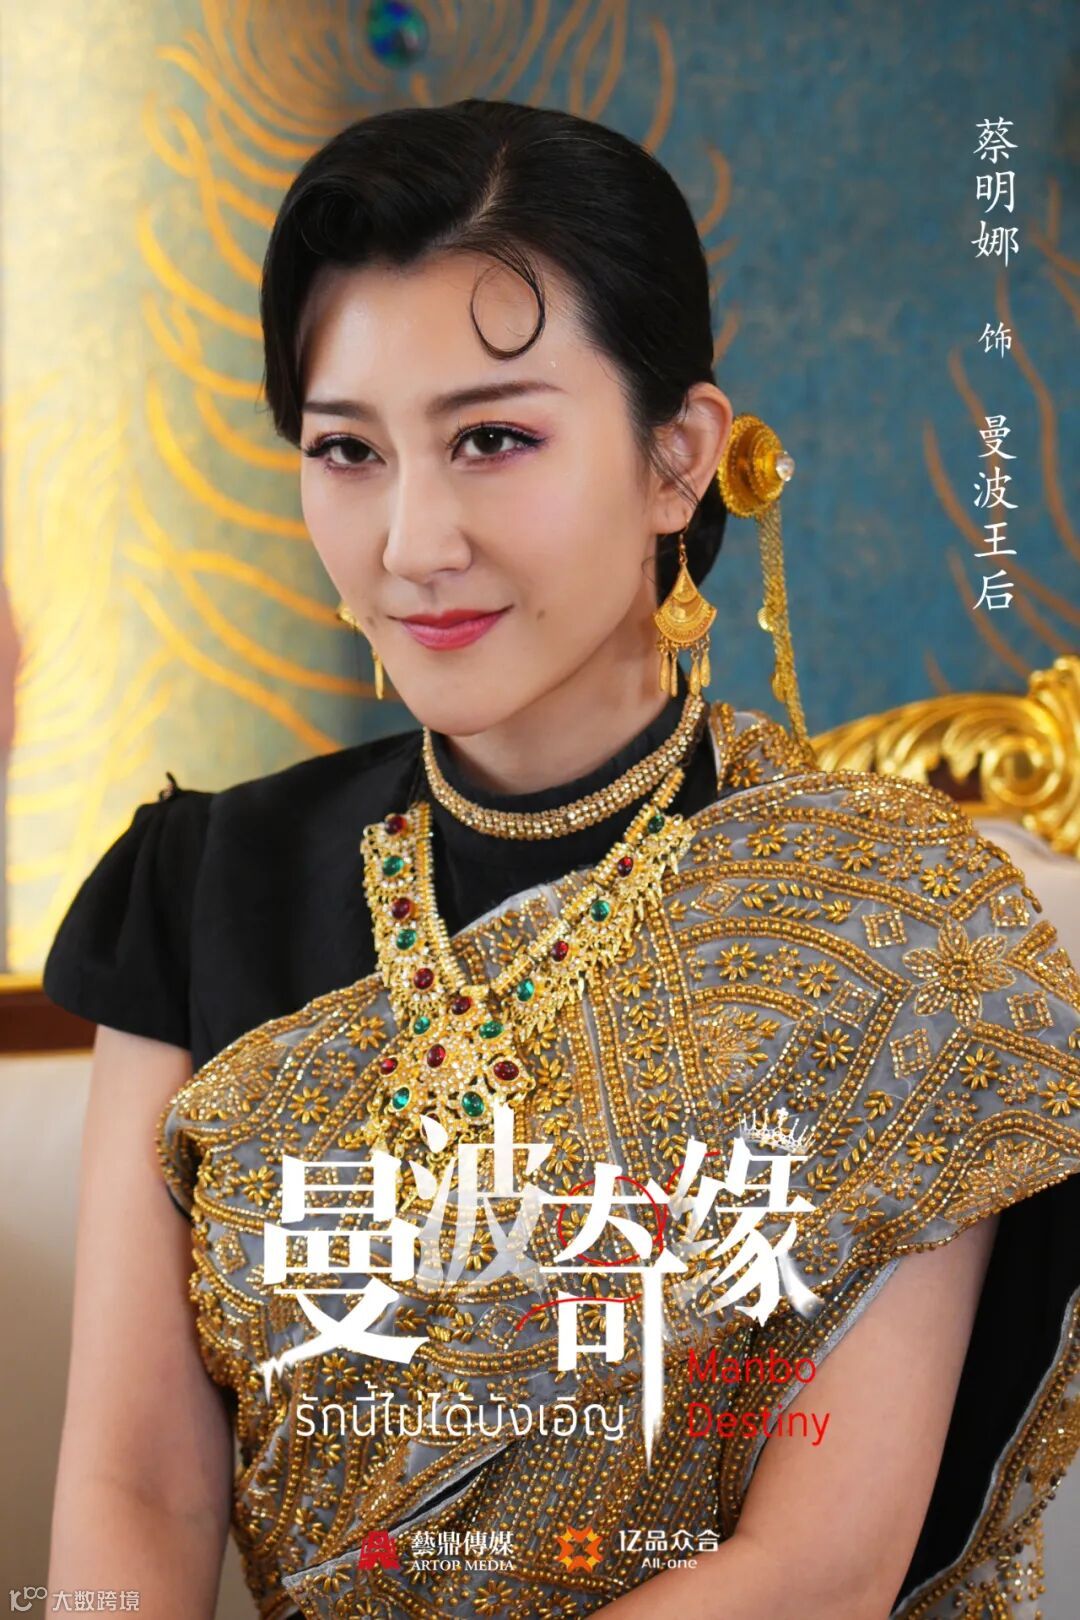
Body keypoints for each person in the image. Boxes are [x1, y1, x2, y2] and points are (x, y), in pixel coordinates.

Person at [43, 99, 1079, 1620]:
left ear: (679, 460)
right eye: (347, 450)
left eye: (494, 438)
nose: (411, 542)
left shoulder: (906, 938)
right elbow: (142, 1486)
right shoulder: (201, 884)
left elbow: (812, 1573)